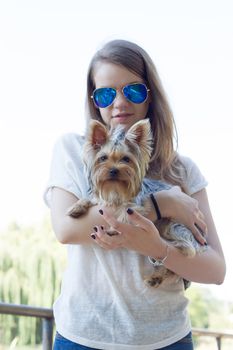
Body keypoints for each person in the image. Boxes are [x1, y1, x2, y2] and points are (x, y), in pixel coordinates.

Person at [44, 39, 226, 350]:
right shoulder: (73, 150)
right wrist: (160, 204)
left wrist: (159, 248)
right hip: (84, 336)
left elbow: (216, 268)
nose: (119, 103)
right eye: (105, 93)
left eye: (133, 90)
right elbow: (67, 229)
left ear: (150, 94)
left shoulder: (182, 171)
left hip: (167, 339)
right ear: (94, 100)